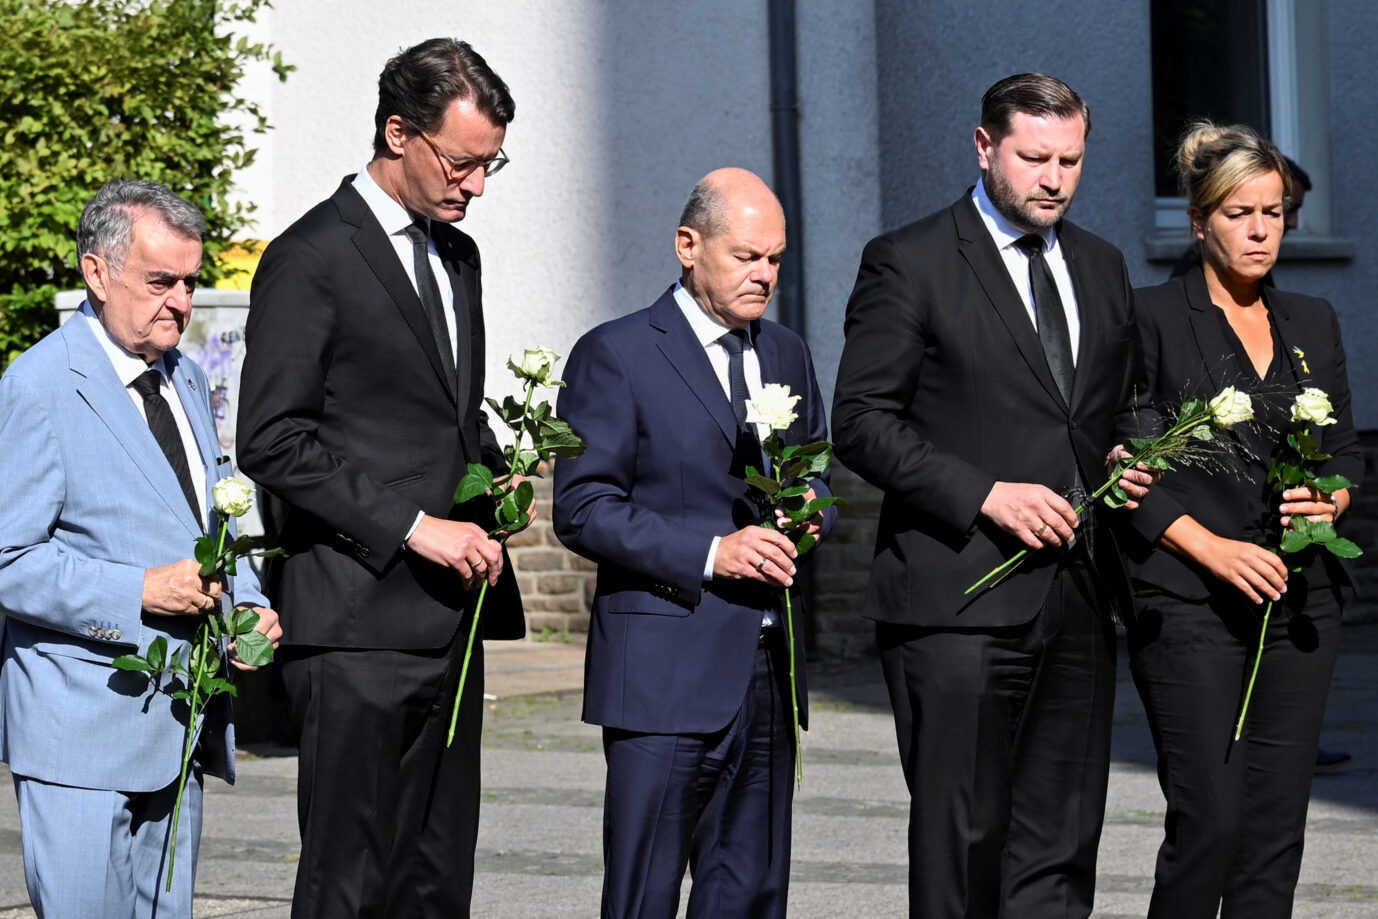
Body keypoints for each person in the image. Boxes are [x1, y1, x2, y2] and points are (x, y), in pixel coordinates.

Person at [831, 73, 1156, 919]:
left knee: (1060, 849)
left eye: (1071, 160)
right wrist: (985, 495)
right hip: (956, 602)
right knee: (964, 844)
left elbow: (1119, 404)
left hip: (1080, 597)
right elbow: (860, 420)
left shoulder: (1102, 263)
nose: (1054, 178)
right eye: (1035, 157)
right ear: (985, 148)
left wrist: (1129, 451)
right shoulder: (910, 260)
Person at [235, 38, 524, 919]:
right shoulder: (310, 255)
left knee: (436, 885)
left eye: (492, 165)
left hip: (448, 626)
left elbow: (443, 410)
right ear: (399, 132)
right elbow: (272, 438)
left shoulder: (457, 256)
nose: (477, 186)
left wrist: (496, 479)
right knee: (348, 887)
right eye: (464, 162)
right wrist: (412, 523)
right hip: (354, 626)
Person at [553, 167, 836, 919]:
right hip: (662, 678)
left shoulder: (785, 353)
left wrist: (813, 510)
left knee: (749, 896)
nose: (766, 275)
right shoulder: (616, 353)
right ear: (688, 245)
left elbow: (818, 471)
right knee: (644, 895)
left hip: (767, 671)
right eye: (747, 256)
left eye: (776, 259)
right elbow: (582, 507)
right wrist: (714, 551)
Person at [0, 179, 281, 918]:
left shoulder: (184, 374)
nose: (182, 302)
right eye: (162, 281)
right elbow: (8, 560)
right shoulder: (36, 386)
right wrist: (137, 592)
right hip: (79, 733)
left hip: (180, 720)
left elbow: (213, 508)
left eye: (190, 282)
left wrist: (248, 607)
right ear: (97, 273)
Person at [1123, 122, 1361, 918]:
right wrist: (1210, 548)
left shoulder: (1314, 321)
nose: (1261, 230)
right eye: (1239, 213)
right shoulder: (1150, 317)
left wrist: (1331, 499)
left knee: (1272, 833)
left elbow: (1345, 454)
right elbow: (1121, 465)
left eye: (1275, 212)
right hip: (1189, 600)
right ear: (1199, 222)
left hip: (1299, 603)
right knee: (1212, 822)